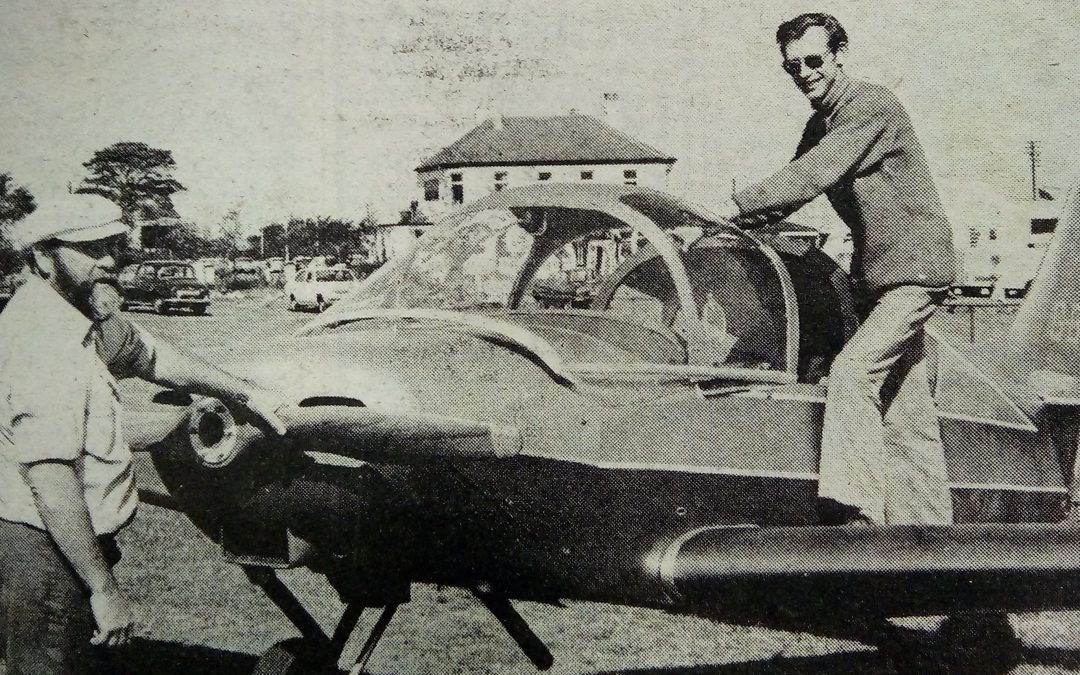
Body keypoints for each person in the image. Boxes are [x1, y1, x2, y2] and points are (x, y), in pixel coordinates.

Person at [0, 195, 287, 674]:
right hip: (45, 549)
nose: (108, 259)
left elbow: (153, 357)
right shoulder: (42, 344)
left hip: (64, 545)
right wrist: (104, 589)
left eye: (113, 244)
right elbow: (50, 482)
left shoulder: (77, 318)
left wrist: (244, 391)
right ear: (42, 257)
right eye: (89, 248)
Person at [723, 13, 956, 525]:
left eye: (814, 60)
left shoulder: (871, 105)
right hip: (880, 279)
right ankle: (942, 559)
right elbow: (788, 189)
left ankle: (857, 516)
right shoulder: (821, 123)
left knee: (851, 375)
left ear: (839, 54)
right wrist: (720, 231)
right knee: (906, 415)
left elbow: (810, 175)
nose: (804, 72)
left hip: (914, 271)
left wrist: (734, 208)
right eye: (792, 66)